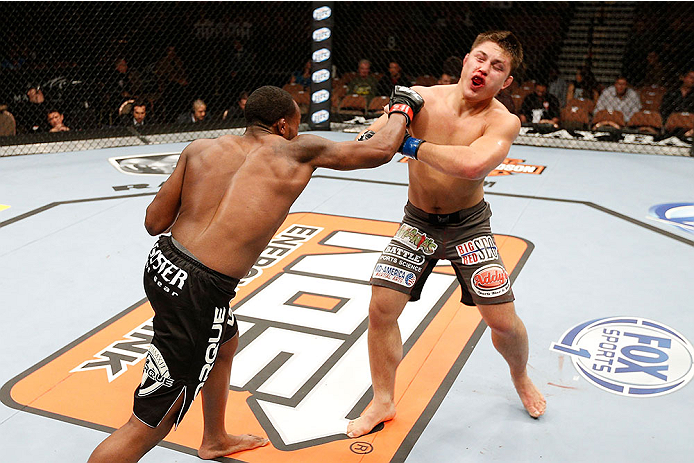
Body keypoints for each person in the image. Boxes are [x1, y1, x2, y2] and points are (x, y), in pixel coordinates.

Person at [87, 84, 422, 462]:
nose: (297, 131)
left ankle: (214, 438)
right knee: (151, 421)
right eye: (295, 124)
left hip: (162, 264)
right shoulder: (297, 150)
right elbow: (379, 150)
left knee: (225, 341)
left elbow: (154, 222)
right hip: (200, 289)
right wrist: (404, 107)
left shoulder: (200, 149)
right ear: (282, 125)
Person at [345, 30, 546, 440]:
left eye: (497, 67)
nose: (484, 70)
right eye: (480, 58)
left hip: (468, 226)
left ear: (505, 82)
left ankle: (521, 377)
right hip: (418, 223)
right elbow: (368, 140)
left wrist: (410, 143)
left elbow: (472, 164)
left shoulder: (503, 120)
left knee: (503, 322)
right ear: (466, 59)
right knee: (381, 308)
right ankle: (383, 400)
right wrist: (390, 123)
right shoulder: (420, 98)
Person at [660, 69, 694, 137]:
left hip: (690, 128)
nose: (693, 80)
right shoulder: (671, 94)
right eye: (691, 77)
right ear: (683, 78)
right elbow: (664, 111)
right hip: (671, 126)